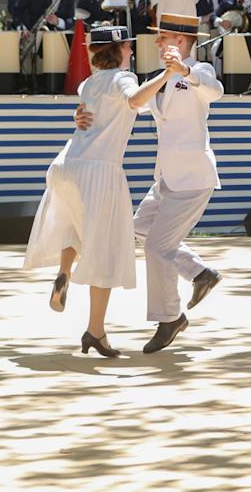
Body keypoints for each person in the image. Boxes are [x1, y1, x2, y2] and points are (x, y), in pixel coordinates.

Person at [24, 25, 176, 357]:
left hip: (68, 164)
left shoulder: (89, 82)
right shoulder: (124, 78)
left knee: (75, 227)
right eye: (128, 46)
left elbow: (89, 114)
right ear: (119, 49)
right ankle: (95, 331)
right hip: (99, 170)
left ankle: (64, 272)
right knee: (105, 250)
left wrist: (76, 114)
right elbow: (135, 100)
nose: (132, 51)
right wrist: (167, 73)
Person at [77, 13, 225, 353]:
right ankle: (200, 273)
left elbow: (214, 90)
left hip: (191, 179)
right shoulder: (160, 78)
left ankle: (170, 318)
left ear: (182, 42)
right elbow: (129, 105)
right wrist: (82, 113)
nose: (157, 44)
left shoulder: (199, 72)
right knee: (134, 229)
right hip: (165, 180)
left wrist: (184, 70)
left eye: (163, 39)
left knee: (157, 247)